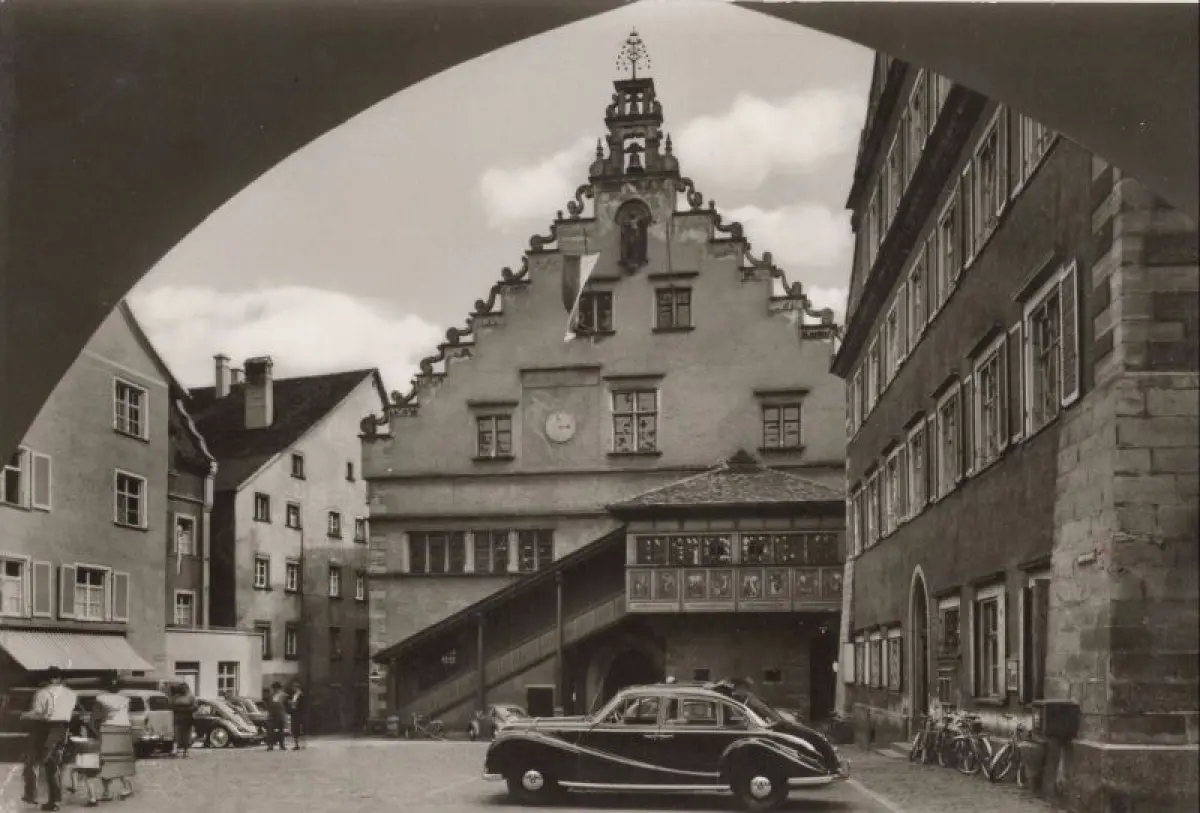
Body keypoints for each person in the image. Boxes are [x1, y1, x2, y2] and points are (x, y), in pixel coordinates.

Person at [20, 666, 77, 812]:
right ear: (61, 678)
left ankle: (34, 795)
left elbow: (40, 713)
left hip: (46, 729)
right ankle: (54, 799)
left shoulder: (42, 693)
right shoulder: (71, 694)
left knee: (34, 761)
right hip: (63, 729)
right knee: (54, 764)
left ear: (47, 679)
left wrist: (25, 715)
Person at [92, 674, 135, 802]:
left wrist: (94, 729)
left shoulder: (100, 699)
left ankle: (106, 792)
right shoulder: (126, 699)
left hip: (108, 729)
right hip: (124, 729)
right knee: (121, 760)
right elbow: (126, 714)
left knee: (105, 761)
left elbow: (96, 717)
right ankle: (126, 787)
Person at [170, 682, 197, 757]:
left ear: (187, 688)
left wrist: (186, 709)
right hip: (177, 717)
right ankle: (175, 749)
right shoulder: (176, 696)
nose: (182, 690)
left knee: (186, 735)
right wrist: (176, 709)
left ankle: (186, 751)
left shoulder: (191, 696)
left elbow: (195, 707)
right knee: (176, 734)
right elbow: (171, 705)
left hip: (187, 717)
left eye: (184, 688)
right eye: (181, 688)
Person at [264, 682, 287, 751]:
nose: (274, 690)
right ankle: (270, 745)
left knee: (281, 730)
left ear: (279, 688)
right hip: (272, 715)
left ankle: (281, 745)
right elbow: (268, 705)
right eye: (274, 688)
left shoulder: (284, 695)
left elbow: (285, 705)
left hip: (280, 715)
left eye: (276, 688)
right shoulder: (271, 696)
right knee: (270, 730)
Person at [286, 682, 305, 751]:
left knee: (298, 728)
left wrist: (294, 704)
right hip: (294, 712)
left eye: (294, 687)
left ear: (297, 687)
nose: (293, 689)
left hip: (298, 713)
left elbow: (302, 705)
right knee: (294, 728)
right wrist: (291, 703)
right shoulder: (294, 695)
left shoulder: (301, 695)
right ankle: (296, 744)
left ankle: (300, 744)